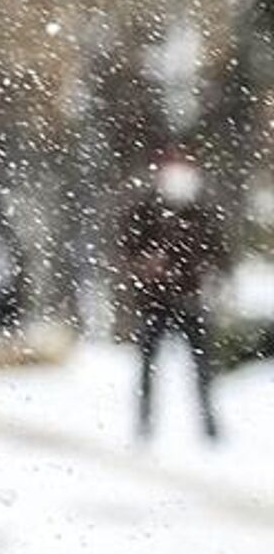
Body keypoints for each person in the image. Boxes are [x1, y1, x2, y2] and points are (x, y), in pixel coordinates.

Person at [119, 154, 227, 442]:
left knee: (202, 367)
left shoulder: (202, 215)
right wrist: (145, 265)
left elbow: (219, 255)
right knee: (148, 366)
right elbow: (128, 248)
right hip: (154, 303)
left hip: (191, 301)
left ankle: (209, 426)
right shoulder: (145, 212)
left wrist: (212, 278)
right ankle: (144, 423)